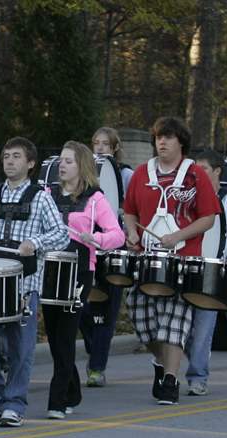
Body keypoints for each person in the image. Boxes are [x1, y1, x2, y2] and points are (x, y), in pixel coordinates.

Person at [0, 136, 70, 427]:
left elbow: (62, 234)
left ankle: (14, 404)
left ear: (30, 163)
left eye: (17, 156)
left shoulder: (41, 197)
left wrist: (35, 241)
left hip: (25, 285)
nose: (10, 161)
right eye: (6, 156)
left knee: (21, 348)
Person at [120, 117, 220, 406]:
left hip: (182, 260)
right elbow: (129, 211)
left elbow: (208, 217)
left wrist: (179, 235)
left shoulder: (194, 175)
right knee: (143, 322)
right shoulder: (141, 173)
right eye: (158, 138)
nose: (161, 142)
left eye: (168, 137)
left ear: (181, 142)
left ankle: (170, 381)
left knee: (173, 321)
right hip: (146, 259)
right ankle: (160, 363)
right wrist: (131, 233)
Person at [42, 141, 125, 419]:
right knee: (54, 336)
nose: (62, 166)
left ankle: (57, 400)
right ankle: (72, 391)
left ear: (82, 166)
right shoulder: (47, 193)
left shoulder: (95, 199)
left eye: (68, 161)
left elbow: (117, 235)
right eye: (61, 161)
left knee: (66, 332)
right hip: (49, 267)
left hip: (78, 270)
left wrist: (96, 238)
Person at [183, 148, 227, 397]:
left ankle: (198, 377)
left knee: (204, 328)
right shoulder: (187, 197)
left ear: (217, 171)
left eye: (204, 169)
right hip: (187, 266)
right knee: (183, 329)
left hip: (213, 268)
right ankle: (194, 360)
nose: (198, 174)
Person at [80, 126, 134, 388]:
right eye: (96, 143)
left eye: (105, 144)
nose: (99, 148)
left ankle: (97, 366)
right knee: (83, 307)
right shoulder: (84, 176)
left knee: (107, 310)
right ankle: (95, 350)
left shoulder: (125, 175)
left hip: (113, 248)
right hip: (88, 248)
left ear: (114, 149)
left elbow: (131, 209)